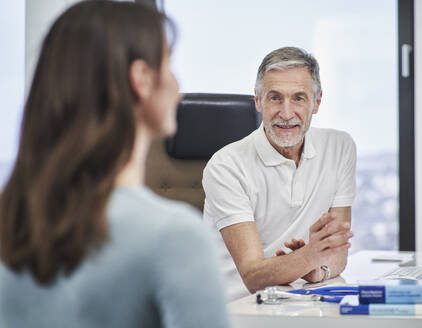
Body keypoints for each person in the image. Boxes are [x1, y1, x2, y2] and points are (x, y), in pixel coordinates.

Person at [0, 1, 229, 327]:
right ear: (142, 79)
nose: (178, 86)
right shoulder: (174, 236)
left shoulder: (14, 218)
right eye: (169, 64)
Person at [203, 46, 356, 301]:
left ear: (316, 103)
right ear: (258, 101)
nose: (286, 114)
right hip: (234, 310)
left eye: (298, 98)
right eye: (275, 98)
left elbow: (337, 252)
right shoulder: (225, 166)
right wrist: (308, 257)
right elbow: (252, 276)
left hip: (297, 302)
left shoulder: (340, 148)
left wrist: (319, 270)